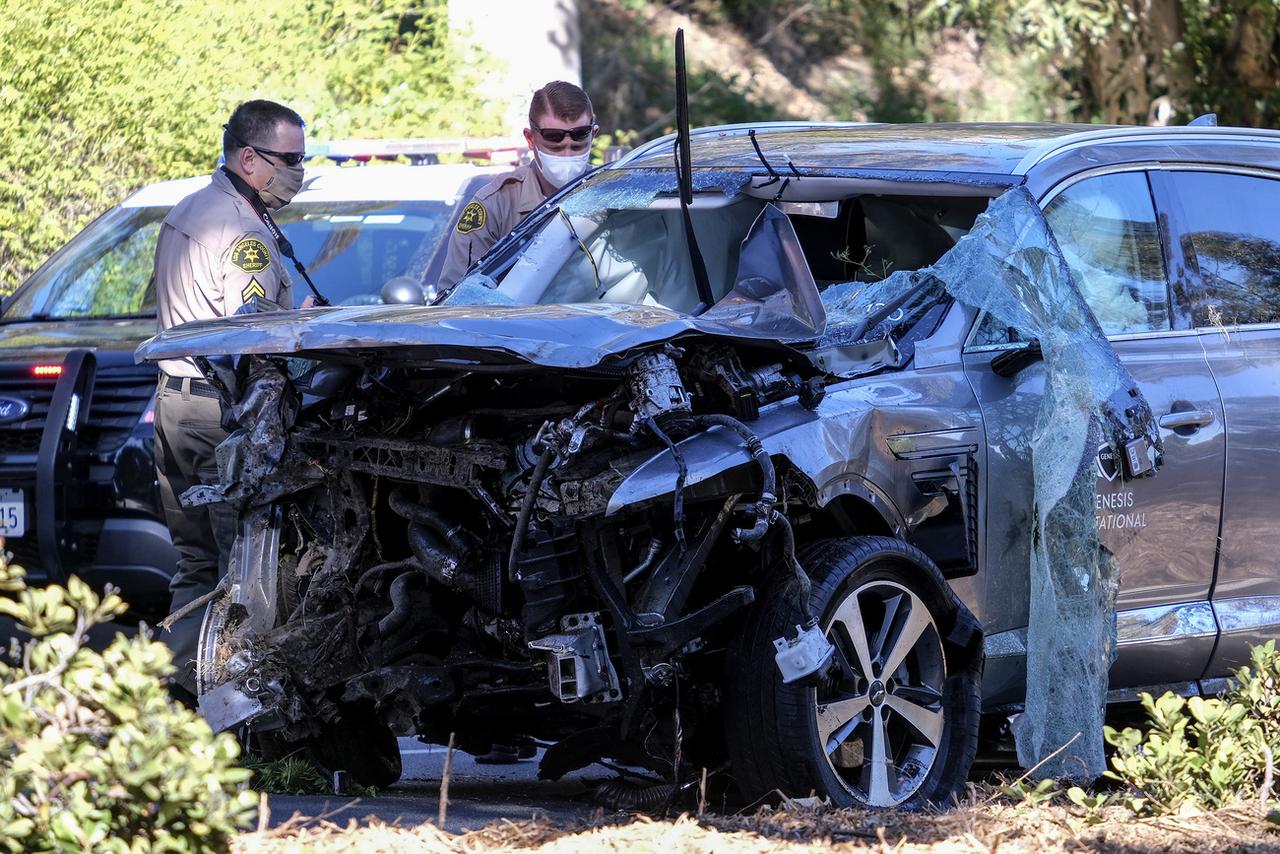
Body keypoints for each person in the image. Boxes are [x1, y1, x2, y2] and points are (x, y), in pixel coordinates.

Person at [152, 99, 305, 702]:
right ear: (250, 159)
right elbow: (255, 333)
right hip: (224, 416)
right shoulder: (243, 232)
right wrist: (303, 328)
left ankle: (168, 705)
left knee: (194, 566)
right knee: (242, 572)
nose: (299, 170)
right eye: (290, 159)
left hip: (174, 403)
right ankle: (231, 717)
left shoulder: (188, 210)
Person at [438, 81, 597, 289]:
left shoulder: (616, 196)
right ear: (530, 138)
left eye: (577, 147)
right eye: (555, 148)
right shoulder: (496, 204)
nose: (567, 156)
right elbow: (457, 302)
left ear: (593, 134)